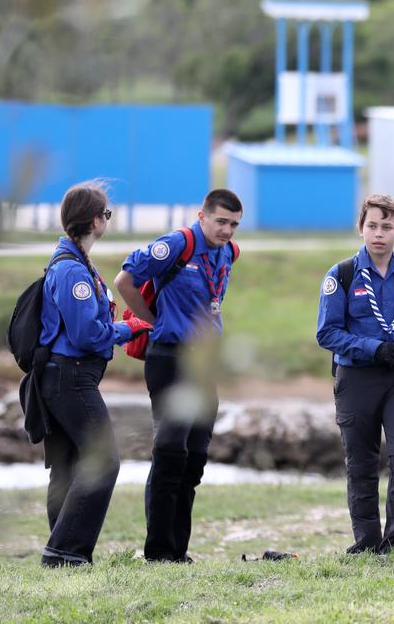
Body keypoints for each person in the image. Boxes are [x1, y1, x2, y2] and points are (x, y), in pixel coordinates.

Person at [115, 189, 242, 563]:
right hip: (169, 357)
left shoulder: (229, 253)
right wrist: (152, 321)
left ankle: (179, 551)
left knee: (195, 456)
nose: (227, 230)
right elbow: (125, 281)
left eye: (234, 224)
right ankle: (158, 552)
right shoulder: (177, 244)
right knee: (170, 452)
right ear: (202, 216)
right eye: (221, 221)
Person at [317, 194, 394, 554]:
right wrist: (375, 348)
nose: (379, 233)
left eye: (387, 226)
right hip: (357, 378)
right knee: (362, 461)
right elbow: (327, 332)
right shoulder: (342, 274)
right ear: (361, 229)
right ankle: (368, 541)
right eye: (372, 226)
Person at [36, 182, 149, 566]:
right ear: (93, 219)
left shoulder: (74, 260)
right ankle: (65, 552)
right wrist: (130, 329)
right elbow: (87, 336)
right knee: (104, 460)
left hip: (65, 375)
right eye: (107, 214)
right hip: (72, 375)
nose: (108, 220)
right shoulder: (72, 271)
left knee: (69, 463)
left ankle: (61, 552)